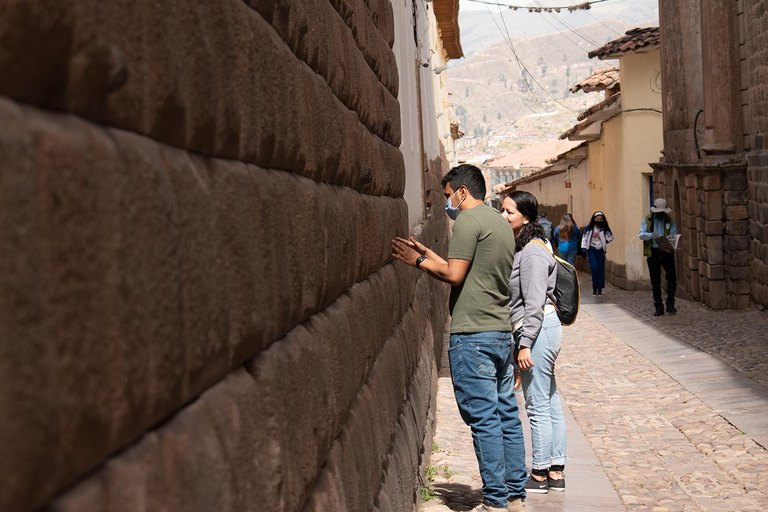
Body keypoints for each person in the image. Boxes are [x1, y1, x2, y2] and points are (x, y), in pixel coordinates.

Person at [392, 164, 527, 512]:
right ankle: (514, 496)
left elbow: (454, 275)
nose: (448, 202)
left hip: (474, 335)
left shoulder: (467, 221)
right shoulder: (499, 221)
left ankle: (495, 501)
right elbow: (470, 269)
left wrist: (419, 260)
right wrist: (428, 253)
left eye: (449, 195)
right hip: (500, 332)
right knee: (506, 415)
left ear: (463, 192)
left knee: (483, 419)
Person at [502, 191, 567, 496]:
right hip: (542, 327)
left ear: (525, 217)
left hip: (538, 329)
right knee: (550, 398)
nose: (504, 216)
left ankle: (539, 473)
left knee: (537, 404)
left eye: (509, 212)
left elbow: (534, 301)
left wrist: (524, 343)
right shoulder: (532, 246)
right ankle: (556, 469)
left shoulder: (532, 251)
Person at [639, 198, 678, 316]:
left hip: (666, 252)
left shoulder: (670, 221)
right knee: (655, 281)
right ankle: (658, 306)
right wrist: (652, 235)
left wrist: (670, 246)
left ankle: (670, 303)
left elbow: (674, 234)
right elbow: (641, 234)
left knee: (672, 277)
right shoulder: (647, 220)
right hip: (654, 252)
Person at [581, 211, 613, 296]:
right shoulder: (590, 227)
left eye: (600, 219)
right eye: (597, 219)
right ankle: (594, 286)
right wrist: (583, 249)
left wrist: (604, 242)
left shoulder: (604, 228)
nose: (599, 221)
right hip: (591, 249)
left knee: (600, 269)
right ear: (594, 219)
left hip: (600, 250)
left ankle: (600, 288)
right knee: (594, 268)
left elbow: (611, 236)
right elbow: (584, 237)